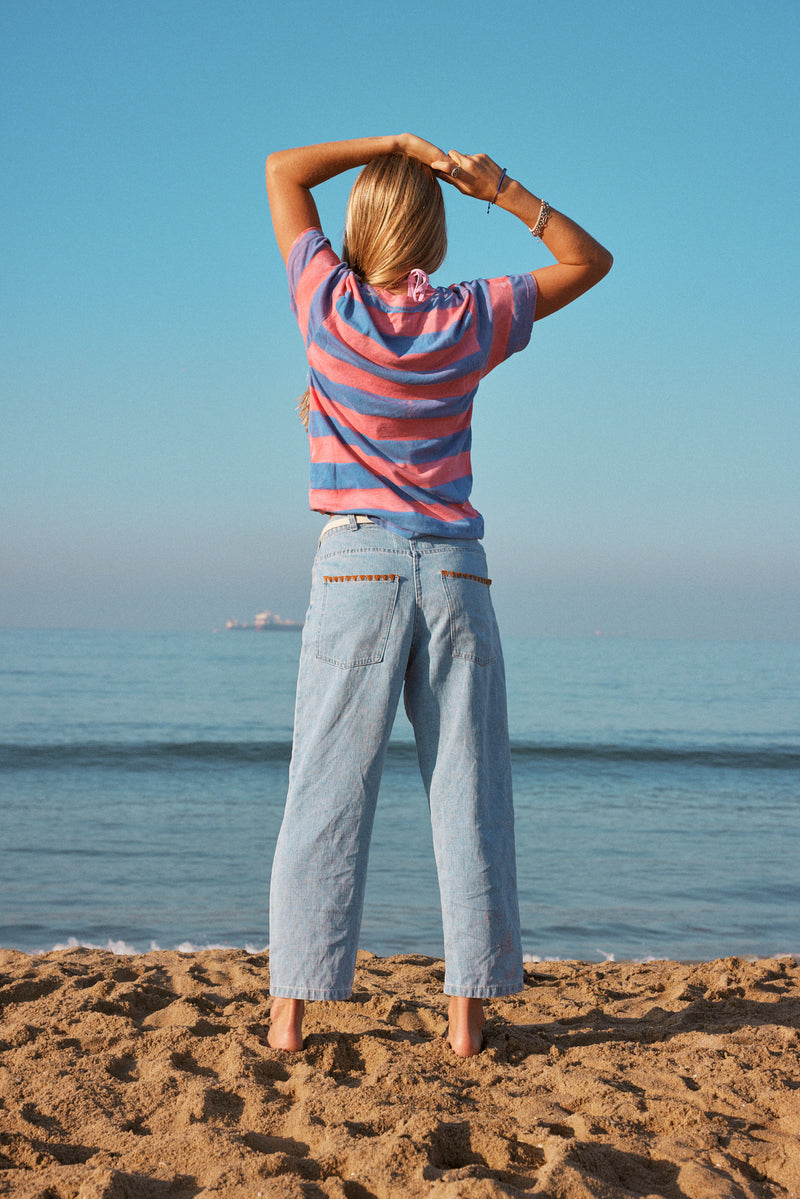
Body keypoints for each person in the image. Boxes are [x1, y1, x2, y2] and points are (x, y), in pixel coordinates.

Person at [264, 134, 612, 1056]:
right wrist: (501, 187)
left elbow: (281, 170)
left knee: (324, 795)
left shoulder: (327, 305)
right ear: (435, 232)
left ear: (358, 229)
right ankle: (466, 1022)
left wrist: (389, 144)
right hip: (456, 568)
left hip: (356, 569)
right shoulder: (466, 316)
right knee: (468, 795)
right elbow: (589, 260)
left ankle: (291, 1016)